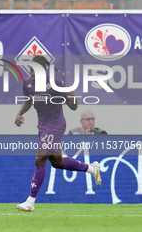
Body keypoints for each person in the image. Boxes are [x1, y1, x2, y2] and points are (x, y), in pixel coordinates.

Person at [14, 55, 102, 212]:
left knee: (40, 159)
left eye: (36, 70)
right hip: (42, 127)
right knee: (57, 162)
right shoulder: (28, 83)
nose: (32, 73)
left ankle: (30, 201)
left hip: (56, 126)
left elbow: (73, 107)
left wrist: (72, 95)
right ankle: (91, 168)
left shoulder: (55, 83)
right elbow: (28, 100)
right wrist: (19, 114)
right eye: (31, 70)